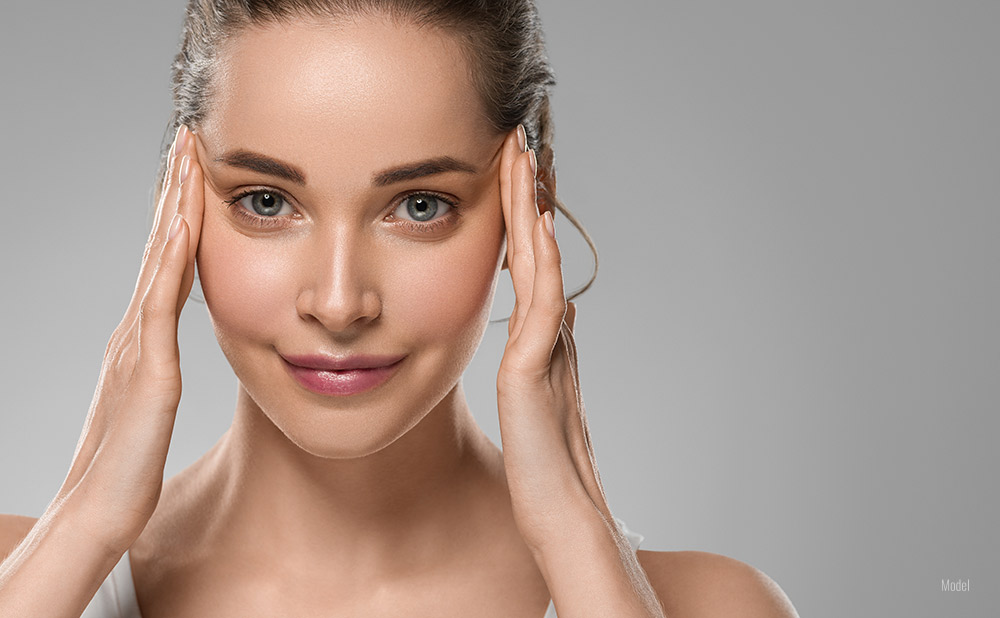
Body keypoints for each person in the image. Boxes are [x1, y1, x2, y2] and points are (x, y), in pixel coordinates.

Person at [0, 1, 798, 616]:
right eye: (267, 201)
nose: (340, 303)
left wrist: (578, 548)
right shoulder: (30, 577)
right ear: (177, 201)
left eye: (419, 205)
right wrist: (84, 529)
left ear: (531, 201)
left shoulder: (711, 606)